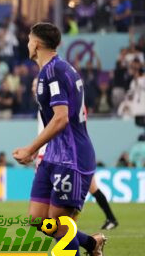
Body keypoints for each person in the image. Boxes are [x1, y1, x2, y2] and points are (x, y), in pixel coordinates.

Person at [13, 22, 106, 256]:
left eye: (29, 39)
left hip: (71, 157)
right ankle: (90, 243)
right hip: (54, 155)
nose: (27, 43)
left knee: (60, 223)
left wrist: (31, 148)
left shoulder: (53, 72)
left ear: (38, 44)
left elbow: (62, 118)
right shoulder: (54, 70)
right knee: (38, 220)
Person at [32, 78, 119, 231]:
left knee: (81, 190)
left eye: (36, 85)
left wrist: (38, 151)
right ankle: (108, 218)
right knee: (92, 188)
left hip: (65, 155)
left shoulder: (54, 105)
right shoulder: (69, 103)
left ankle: (70, 219)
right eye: (34, 85)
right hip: (77, 152)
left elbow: (52, 129)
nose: (35, 88)